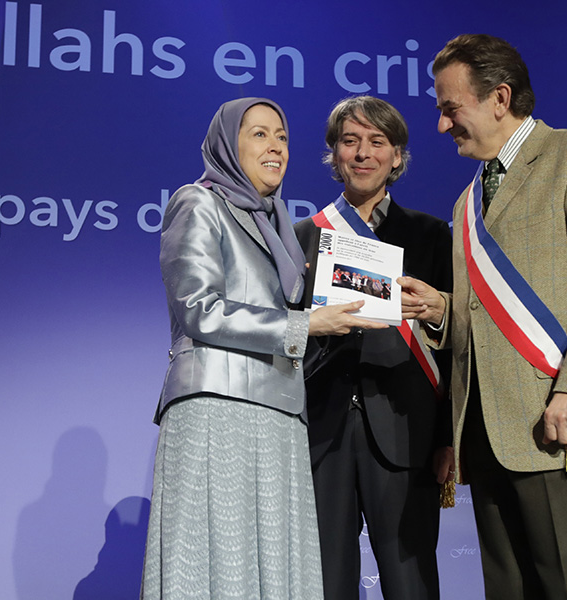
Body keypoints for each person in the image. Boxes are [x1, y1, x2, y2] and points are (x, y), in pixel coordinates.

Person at [399, 35, 567, 600]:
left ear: (499, 97)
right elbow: (484, 311)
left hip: (563, 424)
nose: (442, 126)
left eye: (450, 109)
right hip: (491, 438)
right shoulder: (466, 202)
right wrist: (440, 310)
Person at [141, 97, 385, 600]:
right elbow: (199, 309)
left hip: (279, 413)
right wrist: (305, 323)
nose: (275, 147)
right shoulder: (198, 202)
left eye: (282, 137)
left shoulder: (280, 225)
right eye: (259, 134)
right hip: (218, 408)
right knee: (219, 562)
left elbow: (295, 322)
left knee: (274, 568)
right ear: (228, 143)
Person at [294, 96, 453, 600]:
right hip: (322, 430)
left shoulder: (430, 235)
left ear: (397, 157)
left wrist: (448, 436)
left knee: (411, 583)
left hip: (407, 430)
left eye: (377, 143)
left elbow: (452, 347)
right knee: (325, 581)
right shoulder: (301, 237)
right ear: (334, 155)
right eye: (350, 141)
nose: (363, 153)